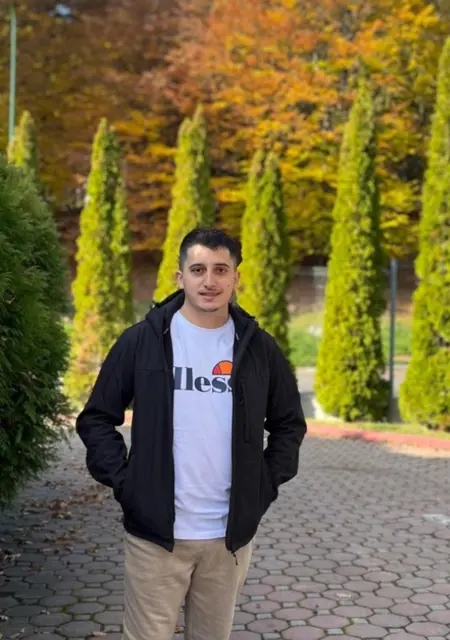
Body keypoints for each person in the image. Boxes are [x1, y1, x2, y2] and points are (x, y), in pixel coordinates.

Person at [76, 227, 307, 640]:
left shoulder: (259, 349)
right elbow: (96, 418)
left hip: (227, 538)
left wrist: (263, 485)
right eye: (198, 269)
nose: (209, 281)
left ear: (236, 277)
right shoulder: (142, 342)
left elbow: (289, 424)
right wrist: (128, 484)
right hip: (155, 535)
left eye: (221, 269)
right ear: (180, 277)